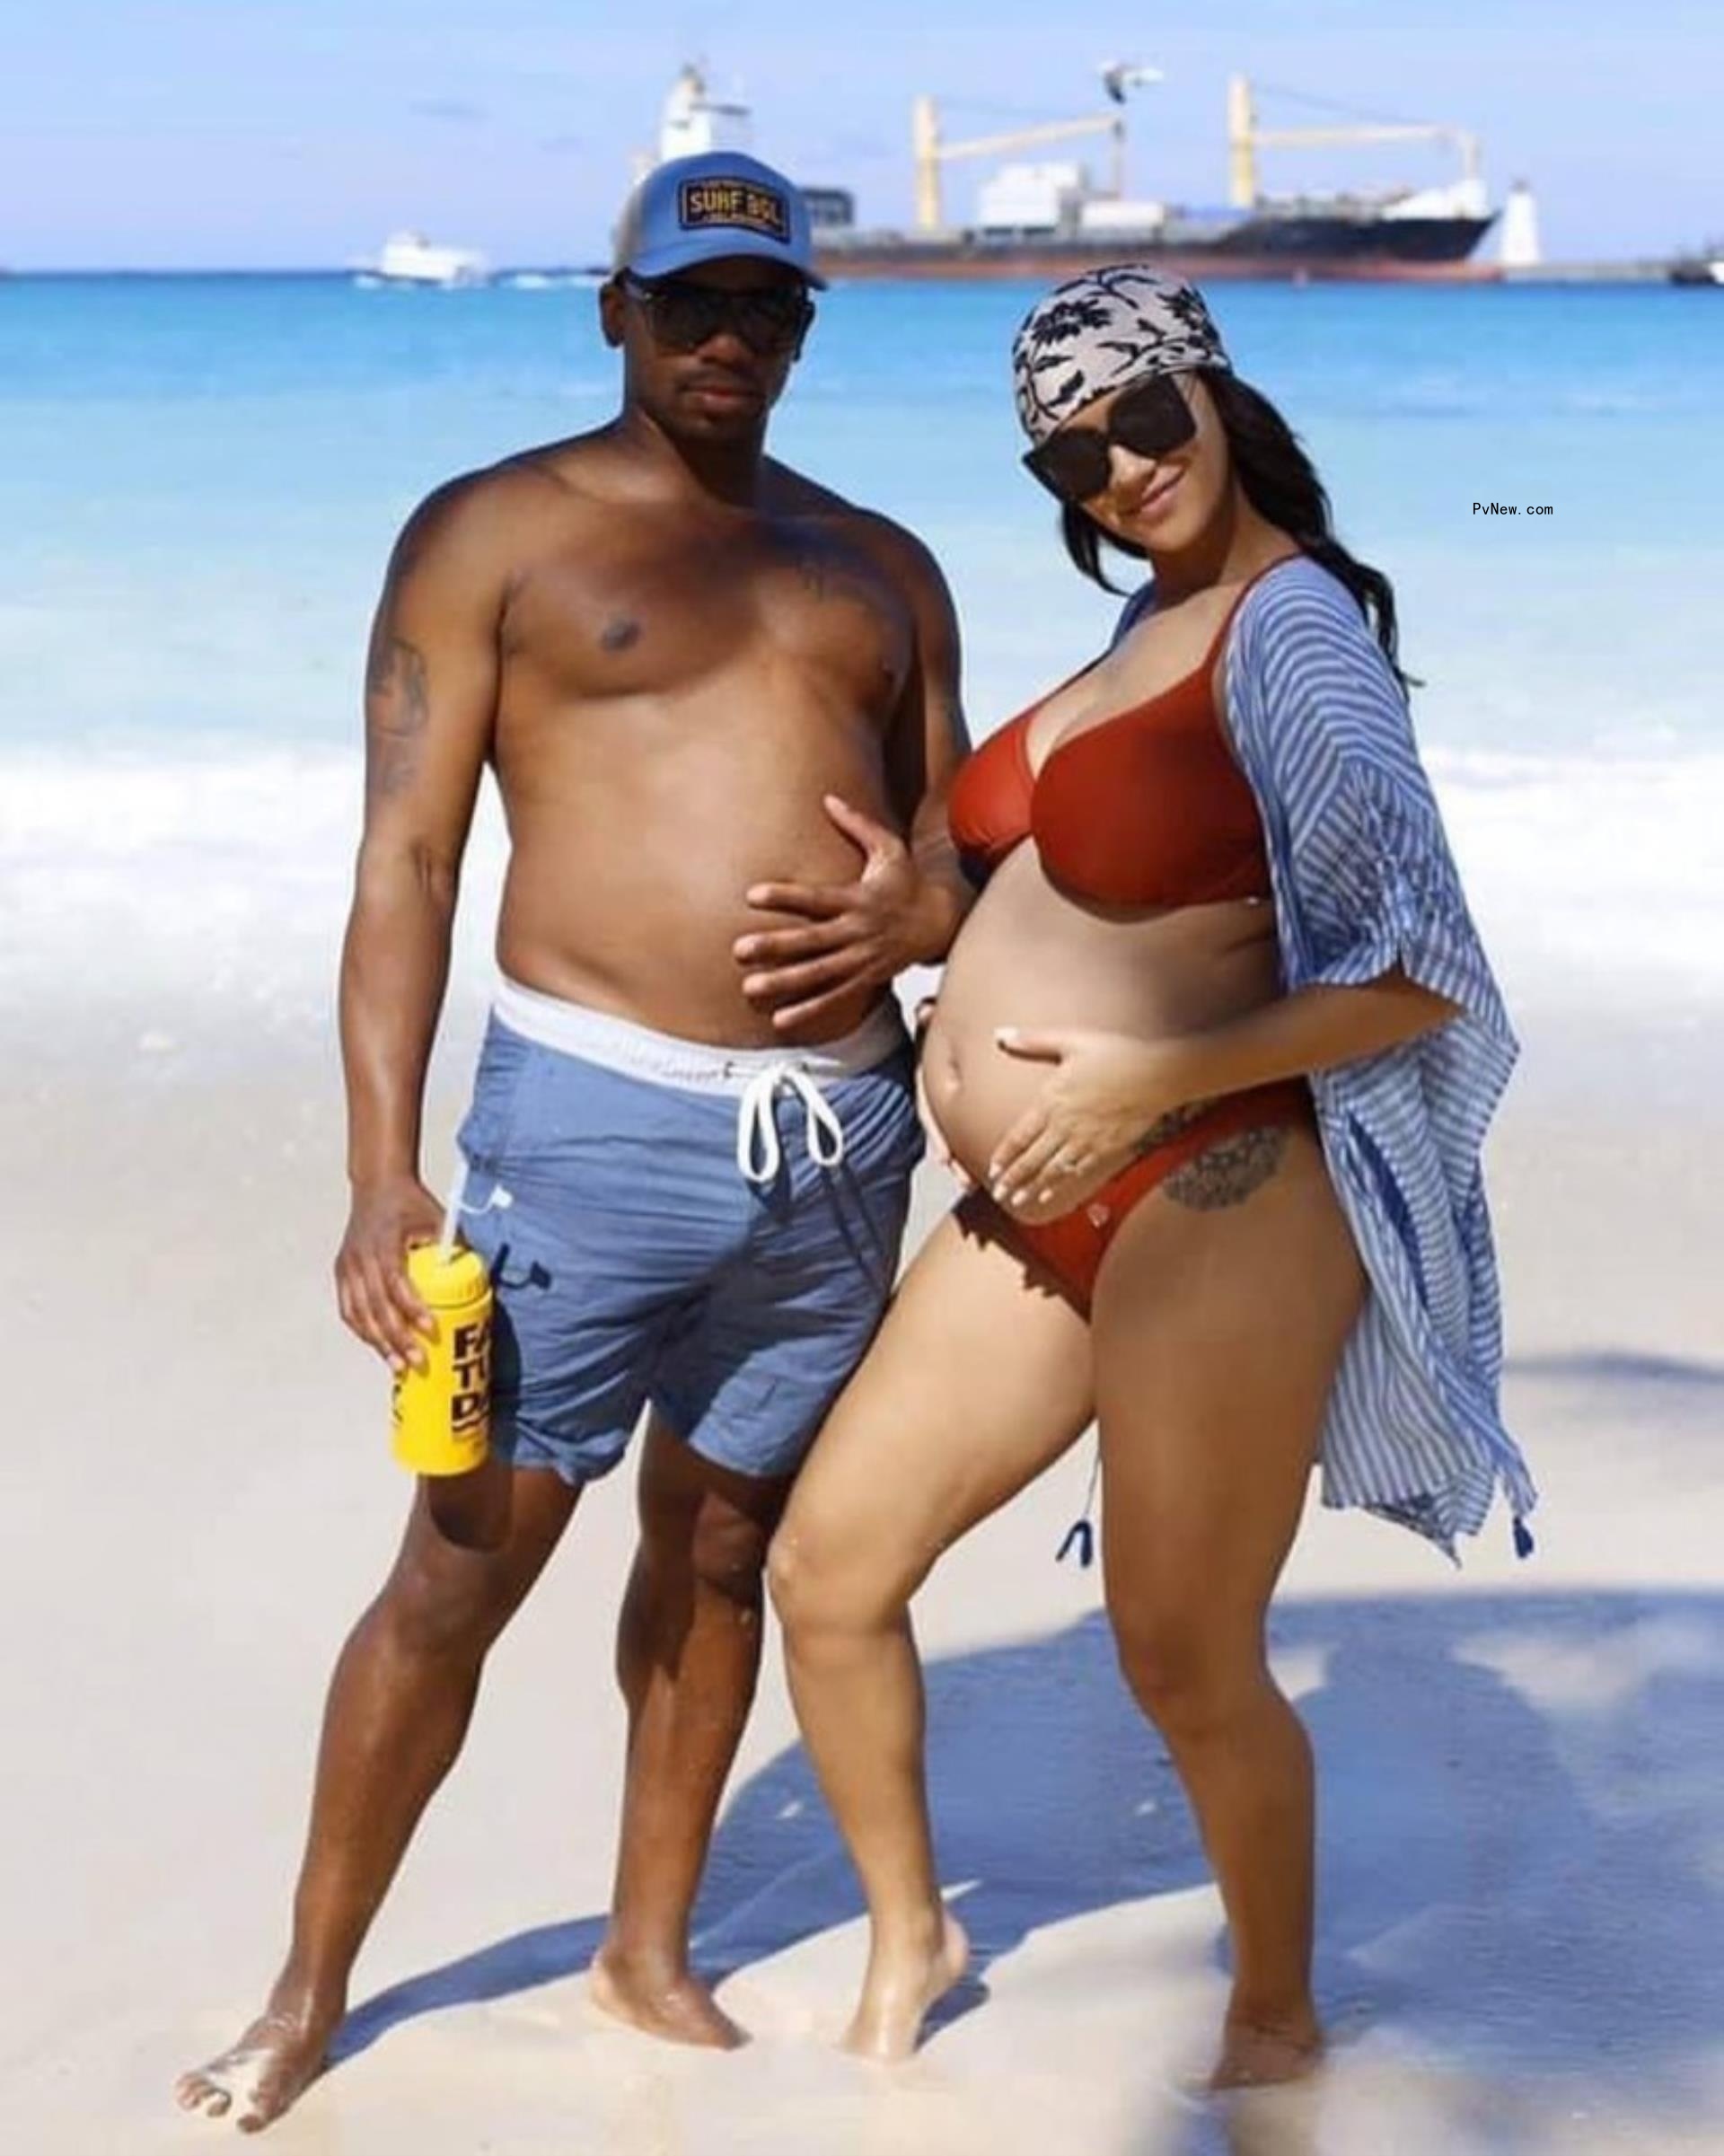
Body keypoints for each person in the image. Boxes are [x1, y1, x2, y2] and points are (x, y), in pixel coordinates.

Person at [176, 151, 970, 2132]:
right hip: (583, 1137)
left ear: (806, 331)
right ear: (613, 310)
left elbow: (964, 862)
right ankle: (307, 1989)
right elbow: (406, 862)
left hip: (839, 1148)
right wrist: (382, 1166)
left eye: (767, 309)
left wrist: (928, 922)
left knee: (719, 1548)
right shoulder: (495, 533)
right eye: (690, 301)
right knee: (460, 1564)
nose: (728, 338)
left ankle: (648, 1946)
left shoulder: (882, 563)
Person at [767, 267, 1536, 2085]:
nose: (1116, 467)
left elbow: (1426, 966)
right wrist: (924, 915)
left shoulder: (1294, 637)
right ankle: (911, 1931)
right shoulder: (1140, 633)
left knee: (1182, 1652)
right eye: (1070, 453)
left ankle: (1273, 2009)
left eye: (1140, 417)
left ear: (1209, 390)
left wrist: (1141, 1081)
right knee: (830, 1567)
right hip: (1040, 1196)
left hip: (1221, 1179)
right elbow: (1088, 889)